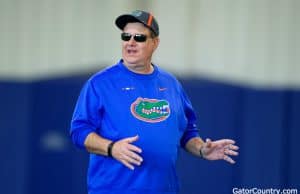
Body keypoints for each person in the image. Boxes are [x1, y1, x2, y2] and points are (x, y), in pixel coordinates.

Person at [70, 10, 239, 194]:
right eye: (126, 36)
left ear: (155, 43)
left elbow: (187, 132)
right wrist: (111, 148)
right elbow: (79, 131)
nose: (130, 43)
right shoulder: (100, 83)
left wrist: (201, 150)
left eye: (139, 37)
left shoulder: (171, 84)